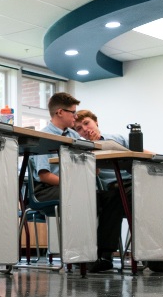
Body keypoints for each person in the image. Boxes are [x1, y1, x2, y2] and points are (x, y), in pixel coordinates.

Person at [78, 108, 163, 273]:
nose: (85, 129)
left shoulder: (117, 139)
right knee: (140, 199)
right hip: (117, 187)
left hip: (142, 182)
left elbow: (145, 153)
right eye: (79, 129)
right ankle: (151, 257)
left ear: (96, 122)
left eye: (86, 123)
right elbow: (91, 173)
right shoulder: (84, 148)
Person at [30, 93, 122, 273]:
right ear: (59, 112)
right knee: (83, 198)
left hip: (74, 186)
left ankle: (103, 254)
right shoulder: (43, 137)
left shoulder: (74, 135)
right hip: (48, 189)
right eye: (72, 113)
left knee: (113, 197)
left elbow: (91, 168)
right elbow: (45, 176)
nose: (75, 116)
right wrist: (74, 183)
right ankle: (80, 256)